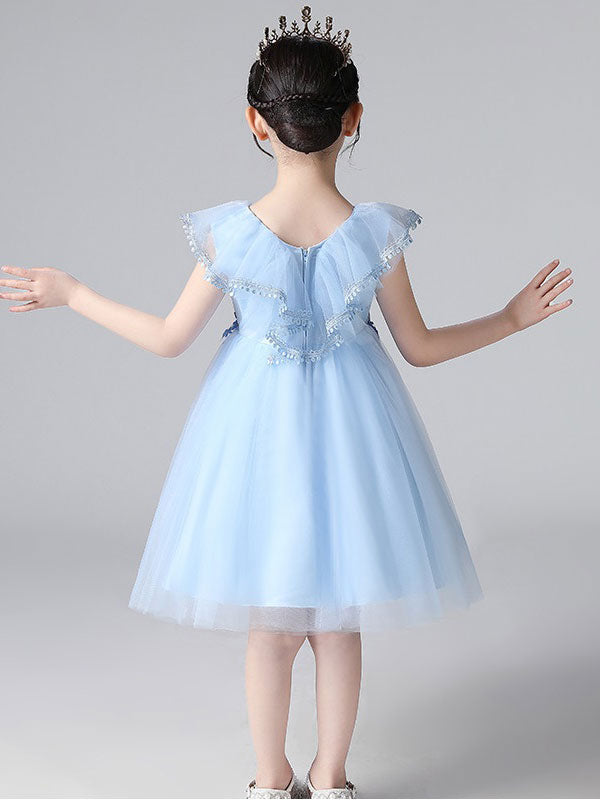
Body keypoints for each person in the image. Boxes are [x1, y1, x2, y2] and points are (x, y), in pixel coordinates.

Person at [0, 6, 574, 799]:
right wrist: (509, 319)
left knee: (271, 627)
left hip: (254, 433)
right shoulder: (375, 234)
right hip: (357, 430)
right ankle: (331, 777)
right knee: (338, 623)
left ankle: (271, 779)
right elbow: (418, 347)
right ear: (354, 118)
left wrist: (75, 293)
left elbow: (168, 338)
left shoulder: (230, 235)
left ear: (255, 122)